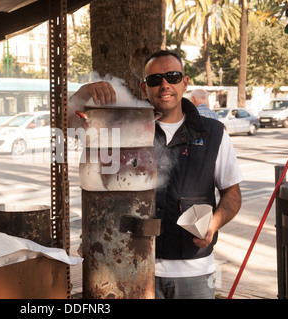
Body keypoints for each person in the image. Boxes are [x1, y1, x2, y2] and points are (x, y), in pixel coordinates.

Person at [69, 50, 242, 299]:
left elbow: (232, 194)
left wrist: (214, 223)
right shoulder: (125, 128)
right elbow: (63, 131)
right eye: (155, 79)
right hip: (133, 267)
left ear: (185, 81)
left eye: (172, 76)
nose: (164, 85)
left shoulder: (213, 133)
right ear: (144, 87)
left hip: (194, 272)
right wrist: (81, 95)